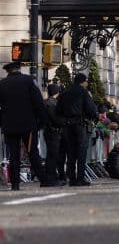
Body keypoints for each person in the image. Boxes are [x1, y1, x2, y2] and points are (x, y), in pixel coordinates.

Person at [0, 60, 47, 190]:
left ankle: (15, 184)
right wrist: (42, 120)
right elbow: (38, 103)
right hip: (28, 125)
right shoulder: (29, 81)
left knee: (14, 155)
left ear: (8, 71)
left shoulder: (2, 84)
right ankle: (43, 179)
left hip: (9, 126)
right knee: (32, 153)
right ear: (19, 69)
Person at [57, 72, 98, 186]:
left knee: (71, 153)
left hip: (68, 125)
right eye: (86, 81)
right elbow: (91, 109)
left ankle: (72, 179)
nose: (87, 83)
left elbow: (58, 110)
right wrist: (93, 116)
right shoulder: (84, 92)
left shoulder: (65, 93)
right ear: (82, 82)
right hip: (80, 125)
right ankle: (80, 178)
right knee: (81, 152)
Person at [42, 83, 66, 186]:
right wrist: (63, 122)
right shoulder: (53, 103)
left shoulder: (45, 102)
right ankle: (51, 178)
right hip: (53, 131)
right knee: (53, 156)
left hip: (48, 130)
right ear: (57, 92)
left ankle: (50, 177)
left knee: (51, 155)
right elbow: (56, 119)